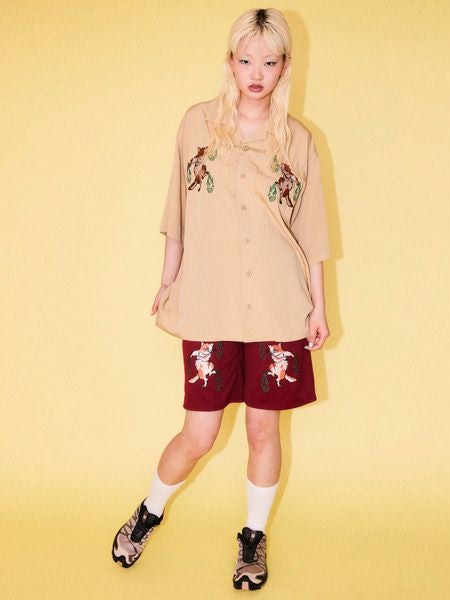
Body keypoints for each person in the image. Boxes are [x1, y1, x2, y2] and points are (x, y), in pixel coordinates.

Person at [111, 7, 330, 592]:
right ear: (230, 62)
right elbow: (177, 213)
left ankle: (252, 538)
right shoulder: (197, 125)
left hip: (278, 307)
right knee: (200, 433)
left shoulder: (298, 140)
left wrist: (319, 305)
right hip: (210, 301)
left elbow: (312, 231)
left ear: (284, 66)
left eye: (269, 62)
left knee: (263, 430)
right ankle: (150, 510)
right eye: (246, 60)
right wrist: (167, 281)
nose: (256, 73)